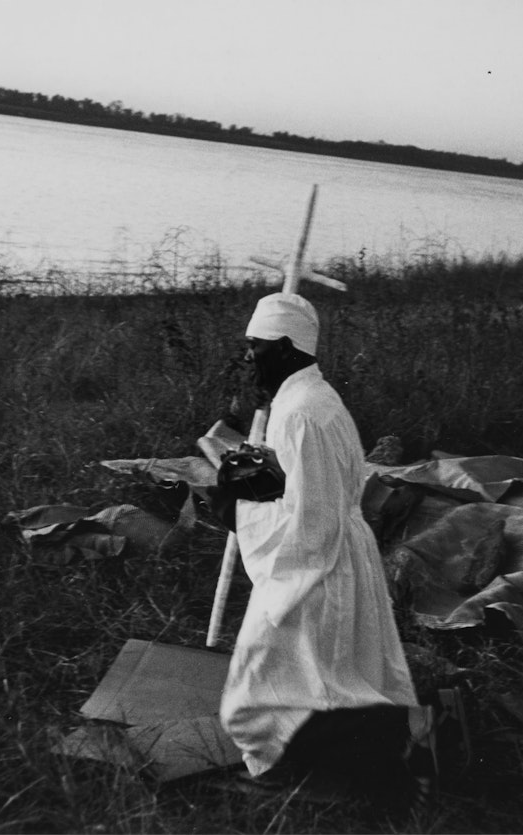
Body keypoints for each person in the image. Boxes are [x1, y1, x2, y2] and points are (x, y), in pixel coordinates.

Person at [216, 292, 419, 806]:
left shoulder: (304, 413)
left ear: (284, 347)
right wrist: (256, 483)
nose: (246, 358)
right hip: (326, 553)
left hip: (317, 562)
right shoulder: (302, 400)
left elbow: (316, 518)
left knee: (262, 684)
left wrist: (247, 513)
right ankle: (340, 768)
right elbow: (307, 492)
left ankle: (312, 774)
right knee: (330, 673)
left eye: (254, 347)